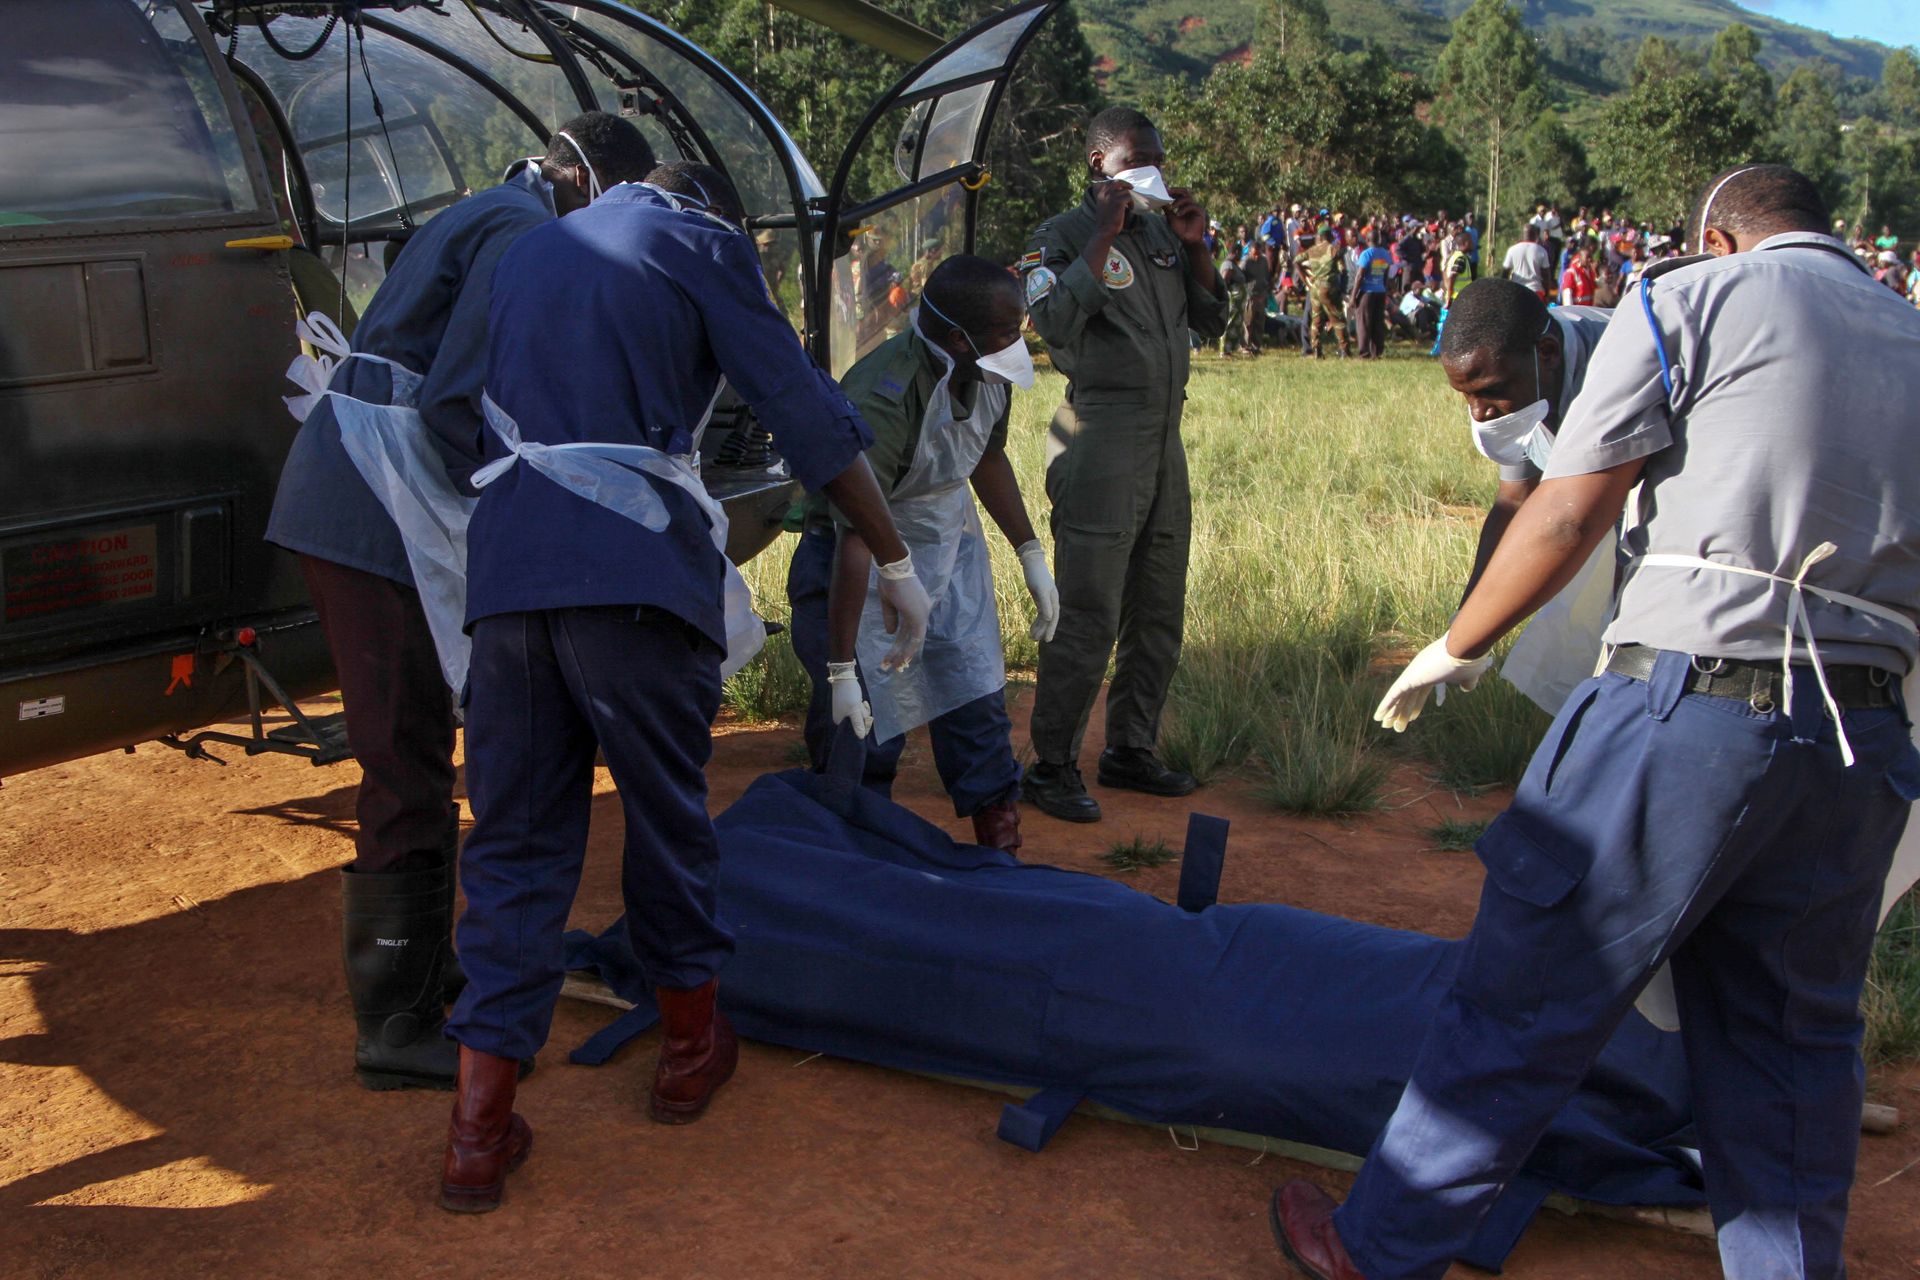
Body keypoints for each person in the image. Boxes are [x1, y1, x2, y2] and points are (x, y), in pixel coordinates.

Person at [1272, 164, 1920, 1280]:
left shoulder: (1685, 298)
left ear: (1719, 235)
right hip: (1859, 741)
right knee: (1790, 1050)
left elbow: (1571, 503)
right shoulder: (1911, 334)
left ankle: (1378, 1247)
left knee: (1526, 993)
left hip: (1690, 710)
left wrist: (1457, 643)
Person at [437, 165, 933, 1211]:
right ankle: (688, 1051)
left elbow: (455, 408)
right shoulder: (700, 245)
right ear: (709, 208)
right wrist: (891, 556)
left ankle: (476, 1128)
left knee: (517, 838)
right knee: (666, 821)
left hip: (510, 578)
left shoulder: (529, 250)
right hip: (634, 584)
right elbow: (802, 408)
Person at [264, 111, 655, 1093]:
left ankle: (428, 976)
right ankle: (395, 1021)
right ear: (588, 182)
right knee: (404, 753)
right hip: (372, 505)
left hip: (365, 493)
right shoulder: (525, 229)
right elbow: (454, 408)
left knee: (422, 739)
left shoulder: (488, 209)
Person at [786, 255, 1055, 851]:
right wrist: (839, 671)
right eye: (1009, 332)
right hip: (856, 565)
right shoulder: (884, 393)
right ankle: (856, 863)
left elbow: (985, 455)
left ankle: (998, 848)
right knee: (861, 725)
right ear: (958, 338)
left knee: (974, 694)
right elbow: (856, 531)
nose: (1020, 341)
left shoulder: (986, 370)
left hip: (947, 548)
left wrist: (1030, 551)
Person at [1015, 106, 1230, 823]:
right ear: (1097, 165)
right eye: (1138, 158)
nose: (1153, 171)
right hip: (1100, 435)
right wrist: (1101, 234)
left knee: (1159, 606)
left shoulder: (1163, 236)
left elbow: (1210, 320)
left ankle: (1130, 748)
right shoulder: (1060, 237)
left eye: (1159, 158)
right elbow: (1047, 325)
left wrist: (1196, 246)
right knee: (1090, 610)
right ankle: (1050, 765)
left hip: (1164, 439)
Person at [1302, 226, 1352, 358]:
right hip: (1329, 288)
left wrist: (1305, 279)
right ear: (1328, 235)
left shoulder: (1312, 250)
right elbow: (1342, 269)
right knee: (1337, 318)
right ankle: (1344, 350)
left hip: (1314, 288)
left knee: (1316, 320)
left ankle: (1316, 350)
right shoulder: (1333, 249)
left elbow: (1297, 261)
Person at [1350, 230, 1393, 359]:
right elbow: (1386, 274)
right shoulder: (1385, 254)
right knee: (1377, 322)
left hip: (1367, 293)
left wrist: (1353, 296)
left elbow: (1359, 276)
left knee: (1363, 323)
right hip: (1380, 291)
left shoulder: (1366, 254)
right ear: (1379, 240)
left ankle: (1364, 353)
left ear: (1367, 241)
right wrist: (1383, 288)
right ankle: (1377, 352)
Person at [1501, 224, 1552, 300]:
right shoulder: (1541, 250)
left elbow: (1505, 273)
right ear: (1535, 236)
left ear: (1522, 235)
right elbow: (1546, 275)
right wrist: (1547, 293)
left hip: (1517, 291)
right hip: (1536, 291)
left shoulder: (1512, 250)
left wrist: (1504, 291)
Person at [1241, 243, 1274, 354]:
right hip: (1249, 296)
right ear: (1250, 252)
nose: (1257, 257)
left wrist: (1266, 290)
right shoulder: (1245, 262)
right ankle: (1245, 346)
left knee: (1259, 322)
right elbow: (1240, 277)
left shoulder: (1264, 261)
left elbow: (1266, 276)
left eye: (1259, 254)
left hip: (1261, 295)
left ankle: (1256, 346)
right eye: (1254, 254)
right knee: (1248, 323)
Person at [1559, 242, 1596, 306]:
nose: (1590, 260)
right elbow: (1567, 296)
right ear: (1580, 258)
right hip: (1578, 311)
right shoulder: (1571, 273)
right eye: (1587, 257)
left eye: (1591, 257)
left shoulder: (1590, 272)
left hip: (1589, 310)